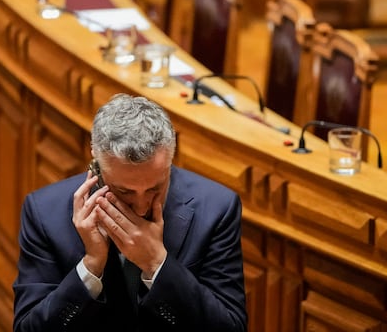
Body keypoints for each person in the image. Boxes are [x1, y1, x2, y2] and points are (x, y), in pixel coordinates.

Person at [13, 93, 248, 331]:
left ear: (171, 158)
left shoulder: (217, 208)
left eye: (155, 188)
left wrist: (157, 264)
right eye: (124, 191)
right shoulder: (44, 211)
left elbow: (231, 327)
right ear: (96, 159)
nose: (141, 206)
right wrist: (91, 265)